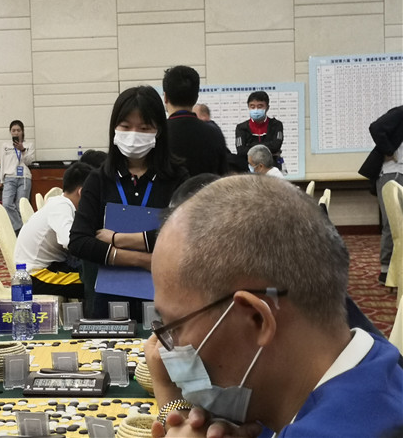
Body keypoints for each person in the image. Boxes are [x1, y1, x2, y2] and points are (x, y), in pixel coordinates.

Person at [144, 175, 403, 438]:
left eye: (174, 327)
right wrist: (175, 404)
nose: (166, 352)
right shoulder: (371, 358)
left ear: (257, 319)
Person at [69, 85, 188, 320]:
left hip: (164, 297)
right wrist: (143, 260)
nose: (134, 135)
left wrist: (117, 239)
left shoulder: (177, 178)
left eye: (144, 128)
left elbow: (185, 234)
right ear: (114, 129)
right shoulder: (99, 179)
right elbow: (79, 241)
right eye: (125, 126)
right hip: (108, 300)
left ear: (159, 131)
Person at [15, 162, 93, 299]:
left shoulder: (62, 203)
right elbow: (71, 242)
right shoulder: (61, 206)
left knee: (95, 275)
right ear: (82, 192)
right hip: (35, 276)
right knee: (95, 281)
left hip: (48, 267)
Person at [359, 106, 403, 284]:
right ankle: (386, 269)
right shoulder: (400, 113)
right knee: (391, 223)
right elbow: (375, 127)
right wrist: (389, 151)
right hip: (392, 174)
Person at [163, 65, 227, 176]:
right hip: (207, 187)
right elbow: (223, 176)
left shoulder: (159, 134)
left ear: (165, 97)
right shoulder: (214, 133)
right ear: (196, 97)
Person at [0, 120, 35, 235]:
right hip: (9, 177)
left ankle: (22, 234)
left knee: (21, 206)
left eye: (18, 130)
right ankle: (20, 229)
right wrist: (1, 181)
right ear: (10, 132)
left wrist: (22, 149)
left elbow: (29, 162)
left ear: (22, 132)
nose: (16, 132)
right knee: (7, 204)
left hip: (24, 178)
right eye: (13, 130)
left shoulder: (29, 145)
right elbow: (3, 163)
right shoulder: (5, 146)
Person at [235, 90, 284, 172]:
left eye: (260, 106)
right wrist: (268, 148)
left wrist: (251, 145)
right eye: (252, 106)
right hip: (249, 169)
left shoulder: (276, 125)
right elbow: (241, 151)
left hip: (272, 168)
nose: (256, 109)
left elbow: (276, 146)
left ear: (267, 107)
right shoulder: (241, 127)